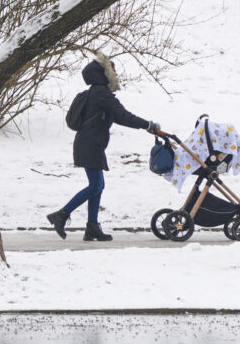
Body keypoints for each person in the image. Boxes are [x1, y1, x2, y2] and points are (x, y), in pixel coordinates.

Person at [46, 53, 159, 241]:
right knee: (96, 185)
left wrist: (146, 126)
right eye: (112, 71)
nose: (115, 74)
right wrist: (148, 125)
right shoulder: (101, 93)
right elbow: (123, 115)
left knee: (98, 186)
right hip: (90, 144)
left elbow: (118, 117)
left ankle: (92, 227)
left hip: (90, 143)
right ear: (104, 74)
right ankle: (62, 214)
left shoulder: (95, 93)